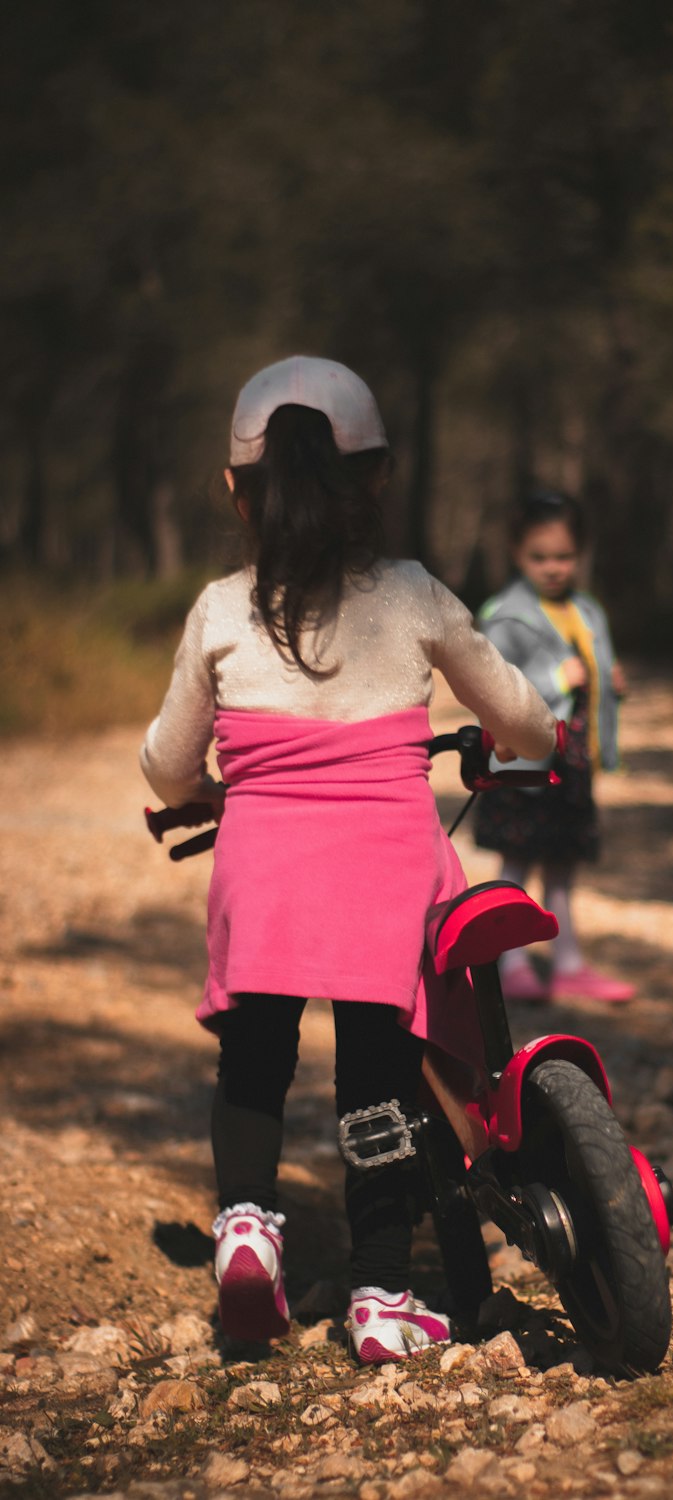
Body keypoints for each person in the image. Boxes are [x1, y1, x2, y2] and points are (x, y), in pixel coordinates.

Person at [140, 356, 555, 1364]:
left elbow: (164, 766)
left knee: (254, 1062)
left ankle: (245, 1230)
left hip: (262, 875)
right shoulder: (412, 596)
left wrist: (203, 792)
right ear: (376, 480)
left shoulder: (220, 610)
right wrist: (529, 743)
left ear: (238, 491)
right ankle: (379, 1293)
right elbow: (525, 723)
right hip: (382, 882)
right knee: (376, 1077)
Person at [472, 489, 635, 1004]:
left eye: (564, 556)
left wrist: (609, 684)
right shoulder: (505, 614)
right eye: (539, 557)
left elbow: (591, 669)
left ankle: (568, 963)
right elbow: (491, 683)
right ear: (518, 556)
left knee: (564, 863)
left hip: (573, 763)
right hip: (523, 763)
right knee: (517, 860)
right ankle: (510, 960)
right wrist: (554, 677)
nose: (553, 567)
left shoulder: (587, 611)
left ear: (581, 554)